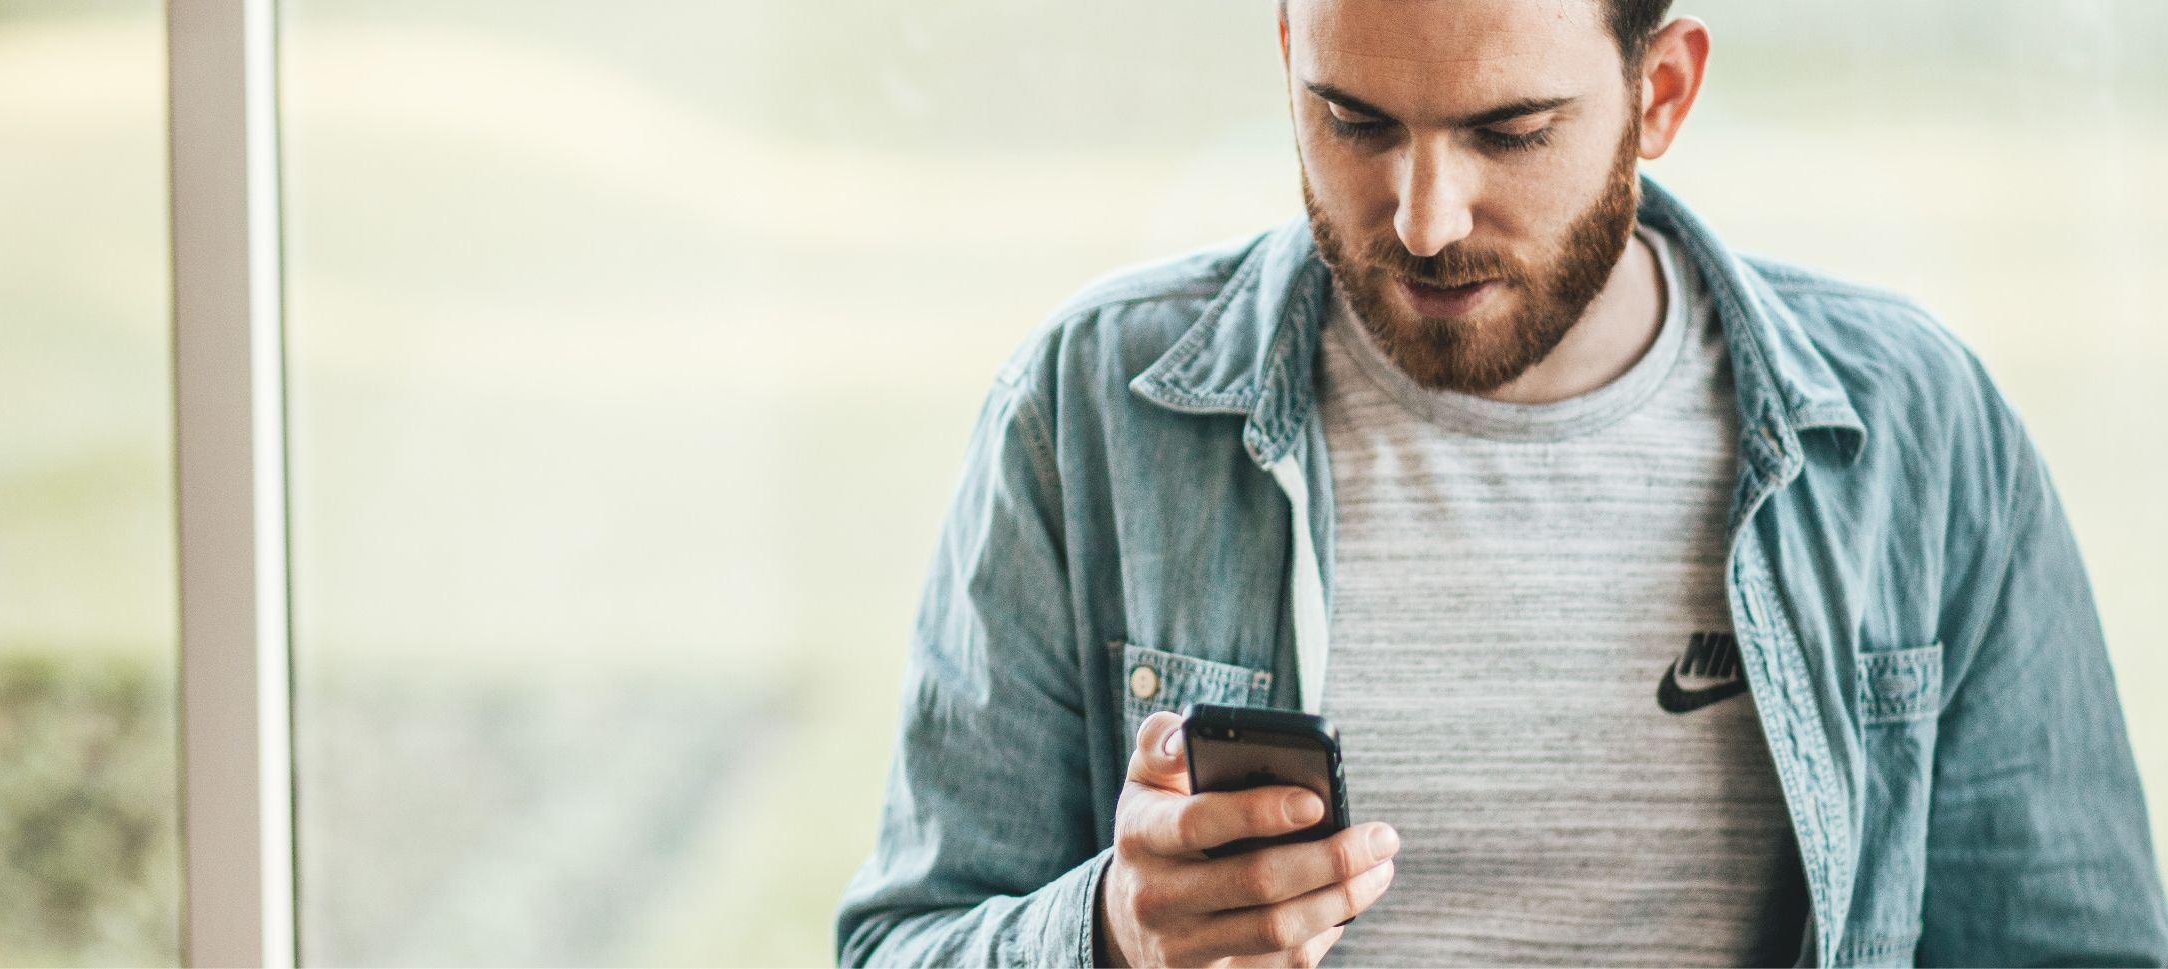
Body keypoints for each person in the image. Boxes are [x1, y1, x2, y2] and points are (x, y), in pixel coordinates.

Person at [834, 0, 2168, 965]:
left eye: (1509, 131)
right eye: (1352, 122)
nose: (1422, 215)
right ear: (1287, 49)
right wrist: (1113, 937)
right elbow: (904, 942)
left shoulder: (1917, 432)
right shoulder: (1089, 412)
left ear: (1665, 92)